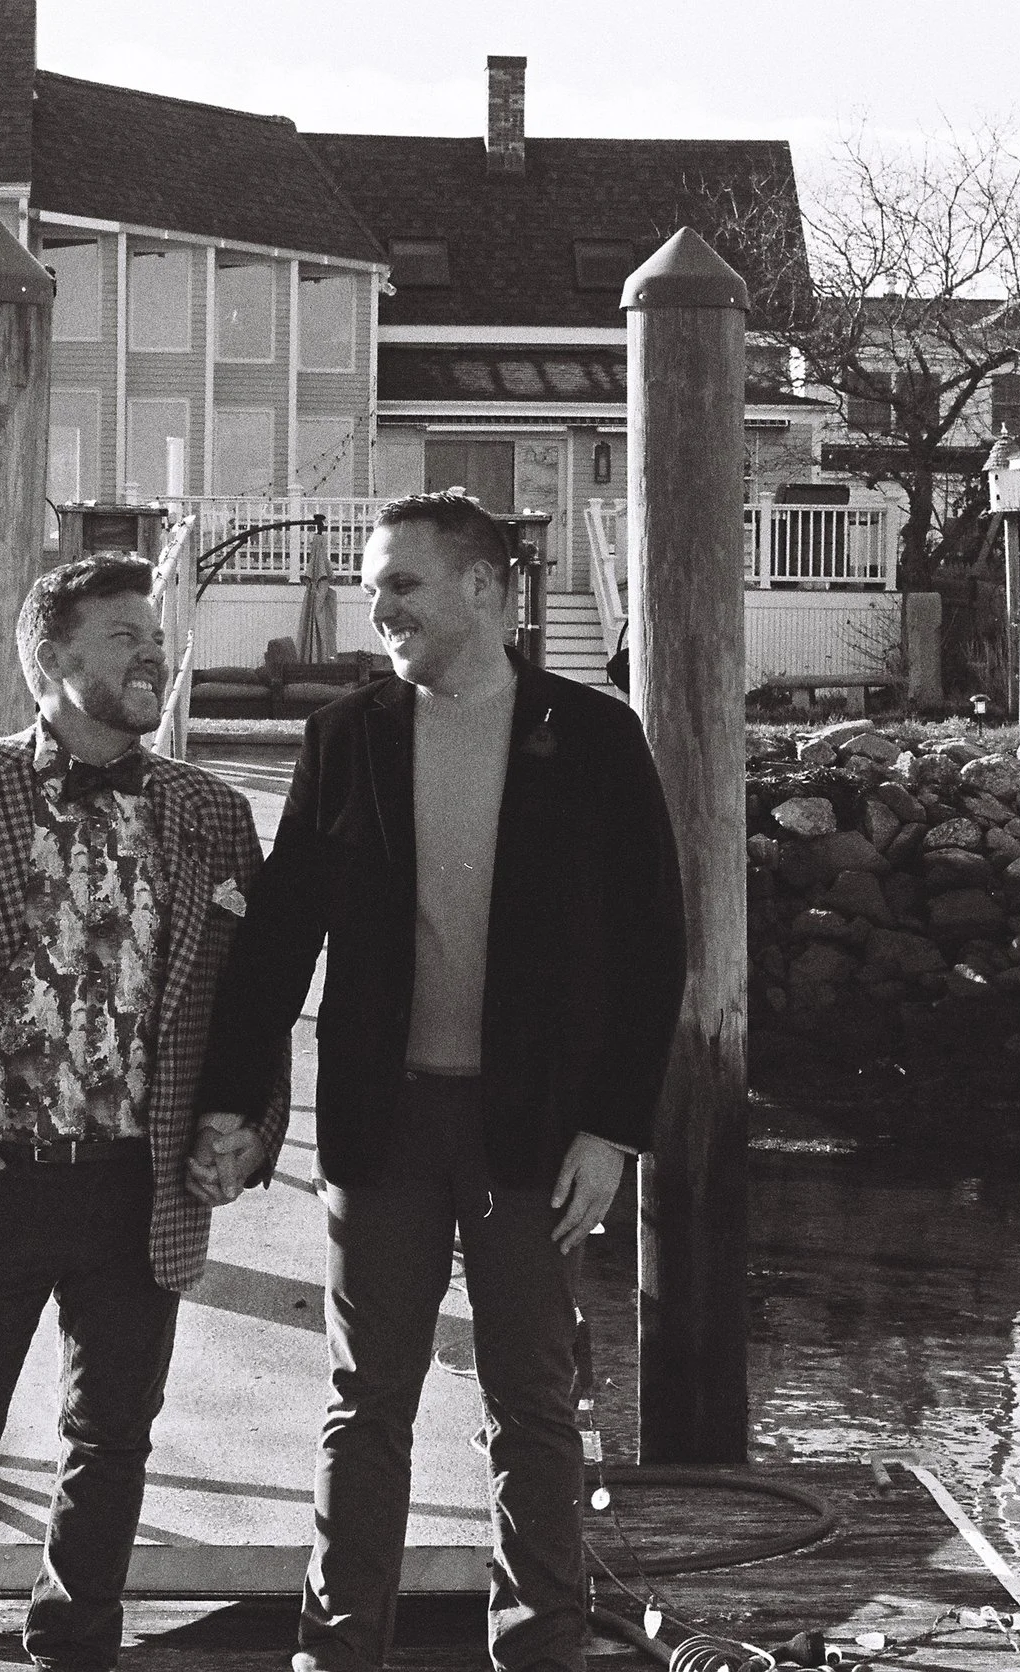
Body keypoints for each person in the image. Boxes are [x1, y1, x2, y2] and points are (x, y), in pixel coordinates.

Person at [194, 491, 687, 1672]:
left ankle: (539, 1649)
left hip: (535, 1128)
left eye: (401, 585)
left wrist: (613, 1130)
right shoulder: (346, 736)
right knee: (368, 1403)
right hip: (382, 1119)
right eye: (373, 590)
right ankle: (338, 1649)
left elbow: (652, 946)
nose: (380, 610)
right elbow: (277, 938)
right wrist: (230, 1097)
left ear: (484, 589)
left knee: (531, 1403)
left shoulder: (597, 736)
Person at [0, 556, 284, 1672]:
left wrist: (250, 1128)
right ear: (53, 659)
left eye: (156, 634)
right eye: (126, 634)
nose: (154, 653)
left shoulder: (210, 812)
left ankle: (74, 1645)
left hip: (142, 1178)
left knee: (113, 1438)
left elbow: (249, 1003)